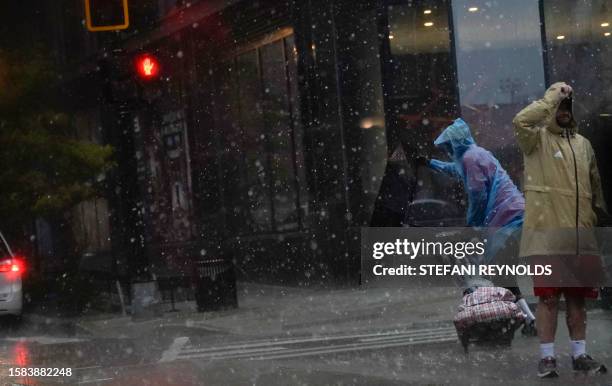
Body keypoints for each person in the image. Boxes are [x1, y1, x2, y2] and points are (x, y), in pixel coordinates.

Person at [513, 82, 608, 377]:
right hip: (548, 237)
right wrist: (552, 96)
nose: (563, 111)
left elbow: (595, 189)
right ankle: (548, 358)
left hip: (580, 237)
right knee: (548, 298)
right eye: (558, 107)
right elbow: (521, 120)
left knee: (578, 300)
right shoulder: (536, 140)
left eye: (567, 107)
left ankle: (580, 355)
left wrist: (598, 219)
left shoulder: (583, 144)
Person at [420, 118, 537, 334]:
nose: (447, 151)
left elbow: (477, 194)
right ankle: (526, 318)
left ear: (455, 144)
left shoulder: (471, 158)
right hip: (511, 216)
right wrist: (430, 163)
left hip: (507, 219)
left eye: (448, 146)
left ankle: (527, 319)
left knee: (501, 272)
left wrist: (471, 223)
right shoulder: (475, 154)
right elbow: (457, 171)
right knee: (502, 272)